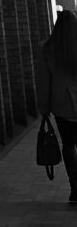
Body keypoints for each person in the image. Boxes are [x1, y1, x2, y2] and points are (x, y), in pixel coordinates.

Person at [36, 10, 77, 200]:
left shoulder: (47, 49)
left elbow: (44, 81)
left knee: (68, 145)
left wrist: (44, 108)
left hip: (62, 106)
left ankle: (75, 187)